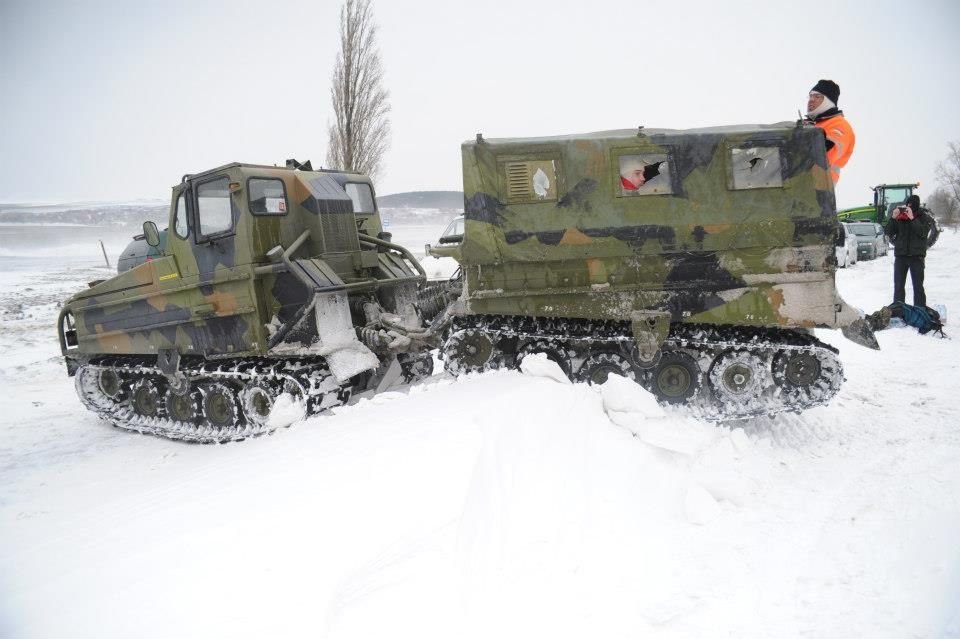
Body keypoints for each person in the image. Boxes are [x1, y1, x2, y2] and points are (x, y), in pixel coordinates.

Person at [884, 194, 939, 307]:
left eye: (911, 205)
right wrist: (893, 218)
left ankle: (920, 310)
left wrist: (912, 218)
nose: (908, 207)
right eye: (907, 205)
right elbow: (889, 232)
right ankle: (899, 309)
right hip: (901, 256)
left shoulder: (924, 217)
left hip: (916, 257)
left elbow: (923, 233)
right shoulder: (900, 217)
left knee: (918, 286)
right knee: (898, 286)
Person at [804, 79, 855, 183]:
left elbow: (828, 152)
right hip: (798, 182)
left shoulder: (840, 125)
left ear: (828, 102)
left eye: (817, 96)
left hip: (819, 186)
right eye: (810, 96)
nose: (811, 99)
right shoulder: (810, 125)